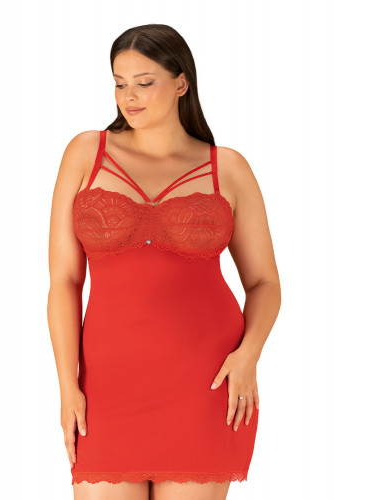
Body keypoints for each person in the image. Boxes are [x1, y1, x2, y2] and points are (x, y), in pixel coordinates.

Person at [47, 24, 281, 500]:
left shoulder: (228, 168)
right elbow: (65, 281)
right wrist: (68, 386)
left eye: (144, 82)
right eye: (119, 83)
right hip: (106, 388)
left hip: (206, 383)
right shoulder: (86, 153)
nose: (128, 97)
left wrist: (248, 355)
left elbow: (264, 283)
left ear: (181, 82)